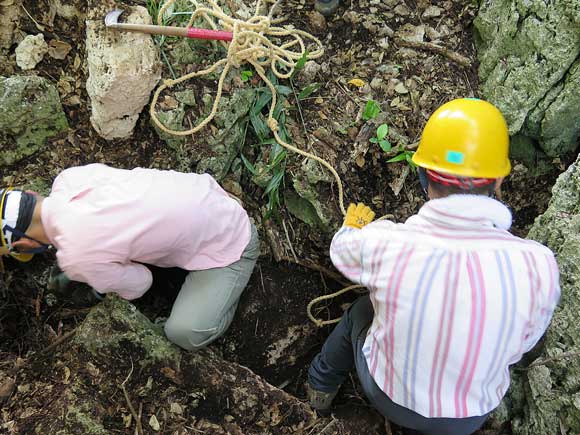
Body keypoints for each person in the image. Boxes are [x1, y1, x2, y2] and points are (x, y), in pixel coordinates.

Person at [306, 99, 560, 434]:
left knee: (361, 310)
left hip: (386, 395)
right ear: (498, 180)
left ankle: (319, 389)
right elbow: (522, 345)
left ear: (424, 176)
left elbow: (341, 250)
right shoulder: (538, 265)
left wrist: (351, 226)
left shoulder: (387, 243)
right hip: (469, 417)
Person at [0, 164, 259, 351]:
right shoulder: (70, 179)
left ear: (23, 244)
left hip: (231, 243)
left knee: (183, 333)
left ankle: (230, 301)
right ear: (30, 194)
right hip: (209, 198)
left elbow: (141, 282)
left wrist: (96, 278)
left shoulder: (76, 258)